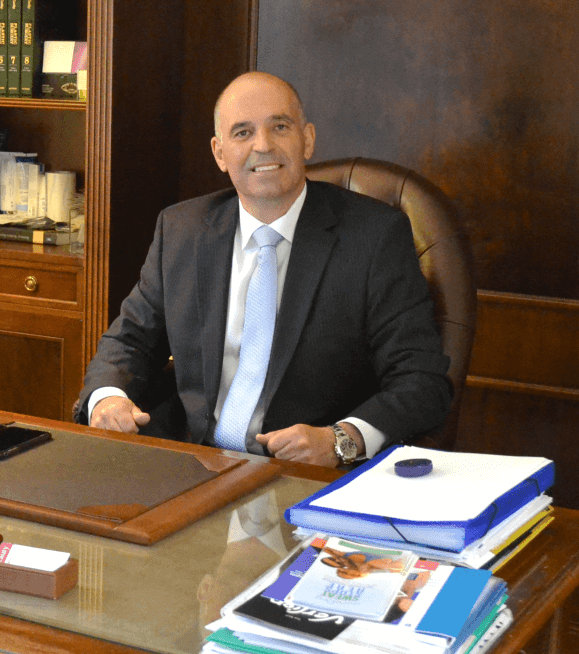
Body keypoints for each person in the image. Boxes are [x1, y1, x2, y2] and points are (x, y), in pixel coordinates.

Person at [75, 71, 452, 467]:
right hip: (192, 461)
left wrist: (342, 439)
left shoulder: (373, 237)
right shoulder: (182, 230)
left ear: (307, 139)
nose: (264, 145)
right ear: (220, 153)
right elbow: (130, 341)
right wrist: (108, 398)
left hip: (304, 474)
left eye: (280, 127)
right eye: (242, 133)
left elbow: (421, 379)